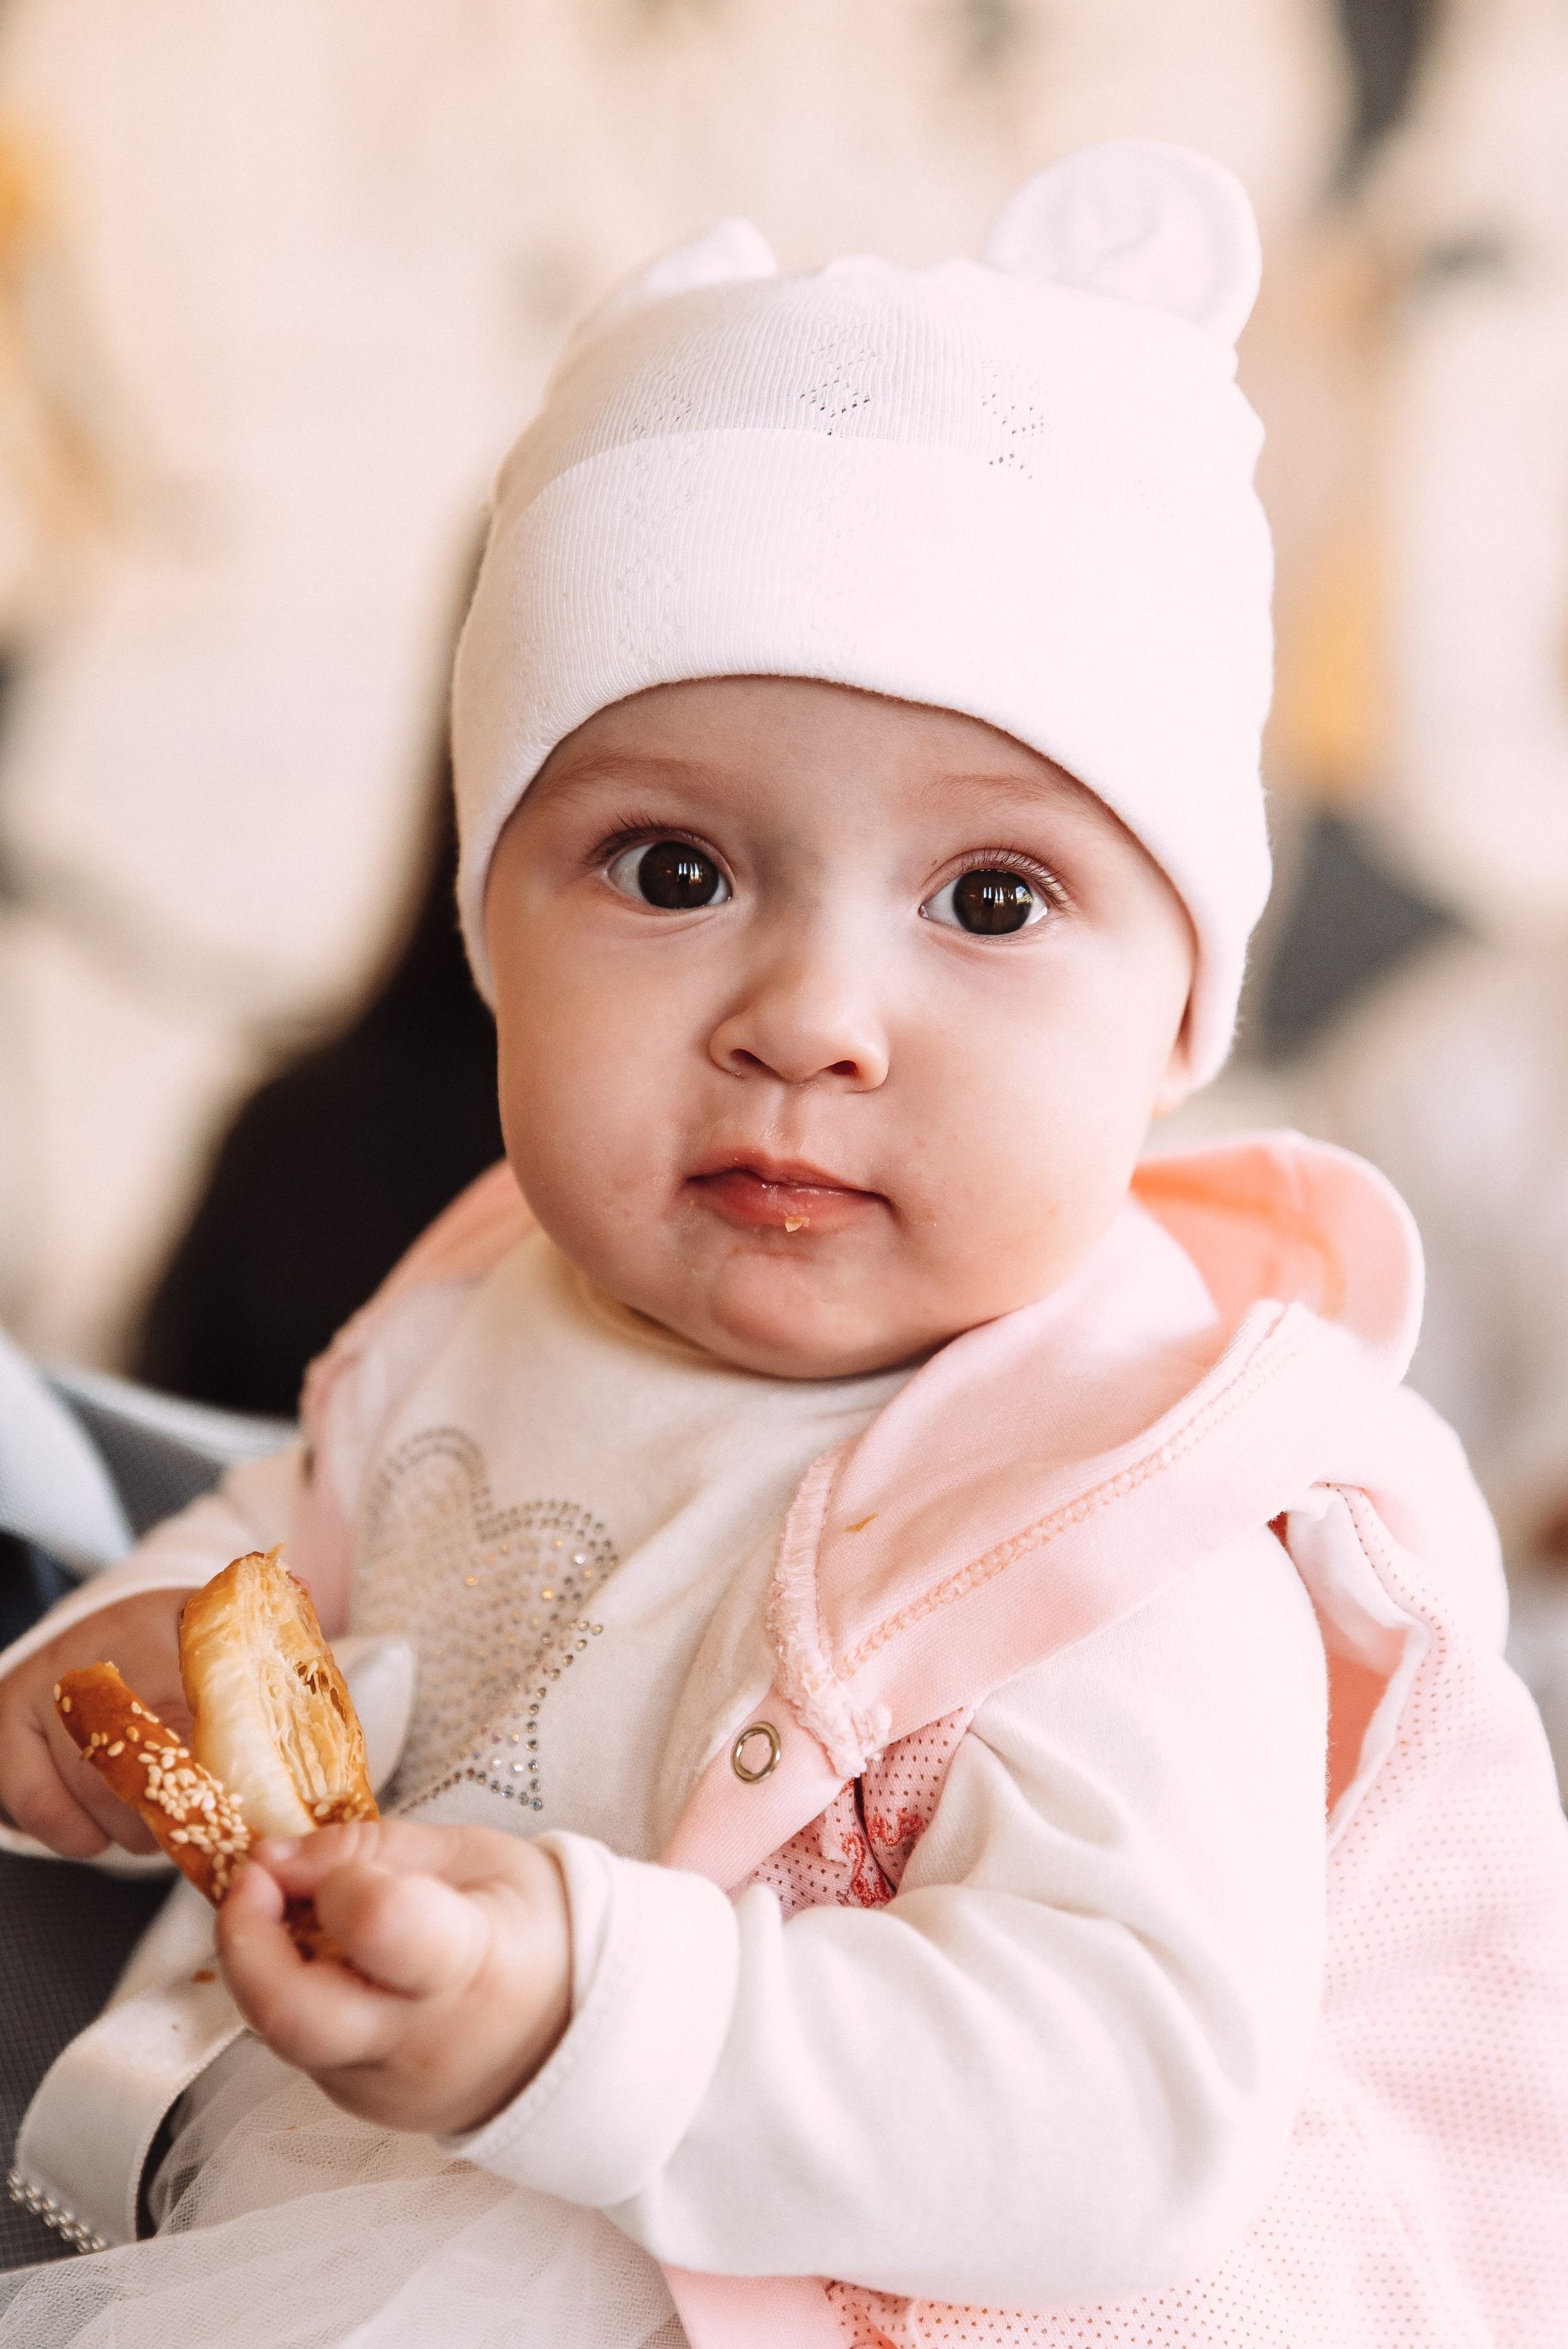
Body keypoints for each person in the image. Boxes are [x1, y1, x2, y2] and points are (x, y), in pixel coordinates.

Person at [0, 140, 1564, 2349]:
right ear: (489, 932)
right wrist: (124, 1664)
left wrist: (596, 2007)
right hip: (315, 2209)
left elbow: (1135, 2095)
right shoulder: (481, 1303)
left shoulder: (1118, 1503)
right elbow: (308, 1543)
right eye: (666, 870)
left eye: (991, 901)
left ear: (1178, 1026)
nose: (810, 1018)